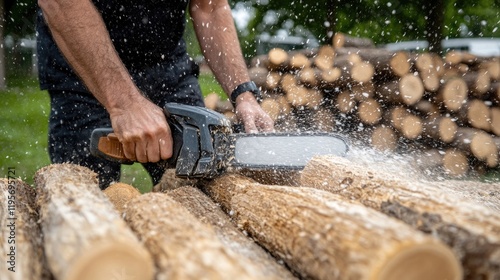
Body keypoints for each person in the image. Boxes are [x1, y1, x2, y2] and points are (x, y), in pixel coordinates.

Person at [36, 0, 274, 189]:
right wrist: (124, 104)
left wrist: (243, 93)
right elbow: (61, 3)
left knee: (200, 194)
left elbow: (209, 6)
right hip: (84, 74)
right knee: (83, 201)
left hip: (168, 67)